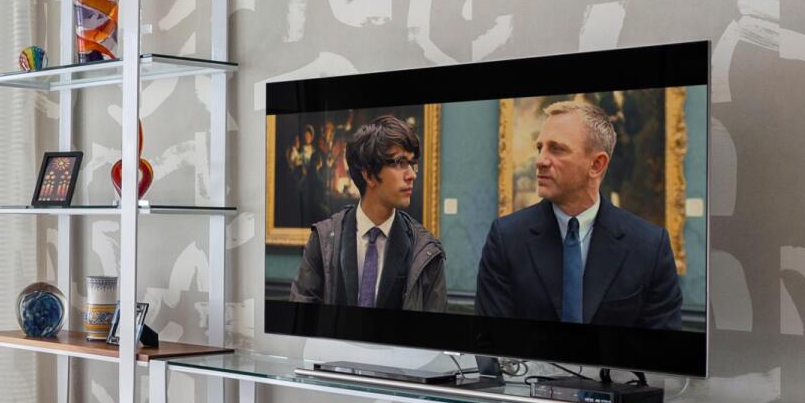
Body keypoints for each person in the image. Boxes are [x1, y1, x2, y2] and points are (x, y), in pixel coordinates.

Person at [472, 98, 685, 330]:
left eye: (557, 149)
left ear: (597, 165)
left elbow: (661, 352)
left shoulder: (650, 246)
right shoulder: (506, 238)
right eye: (539, 148)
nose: (541, 160)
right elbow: (491, 343)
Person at [289, 112, 444, 311]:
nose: (412, 175)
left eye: (413, 164)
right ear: (369, 175)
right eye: (400, 163)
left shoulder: (427, 251)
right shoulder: (323, 239)